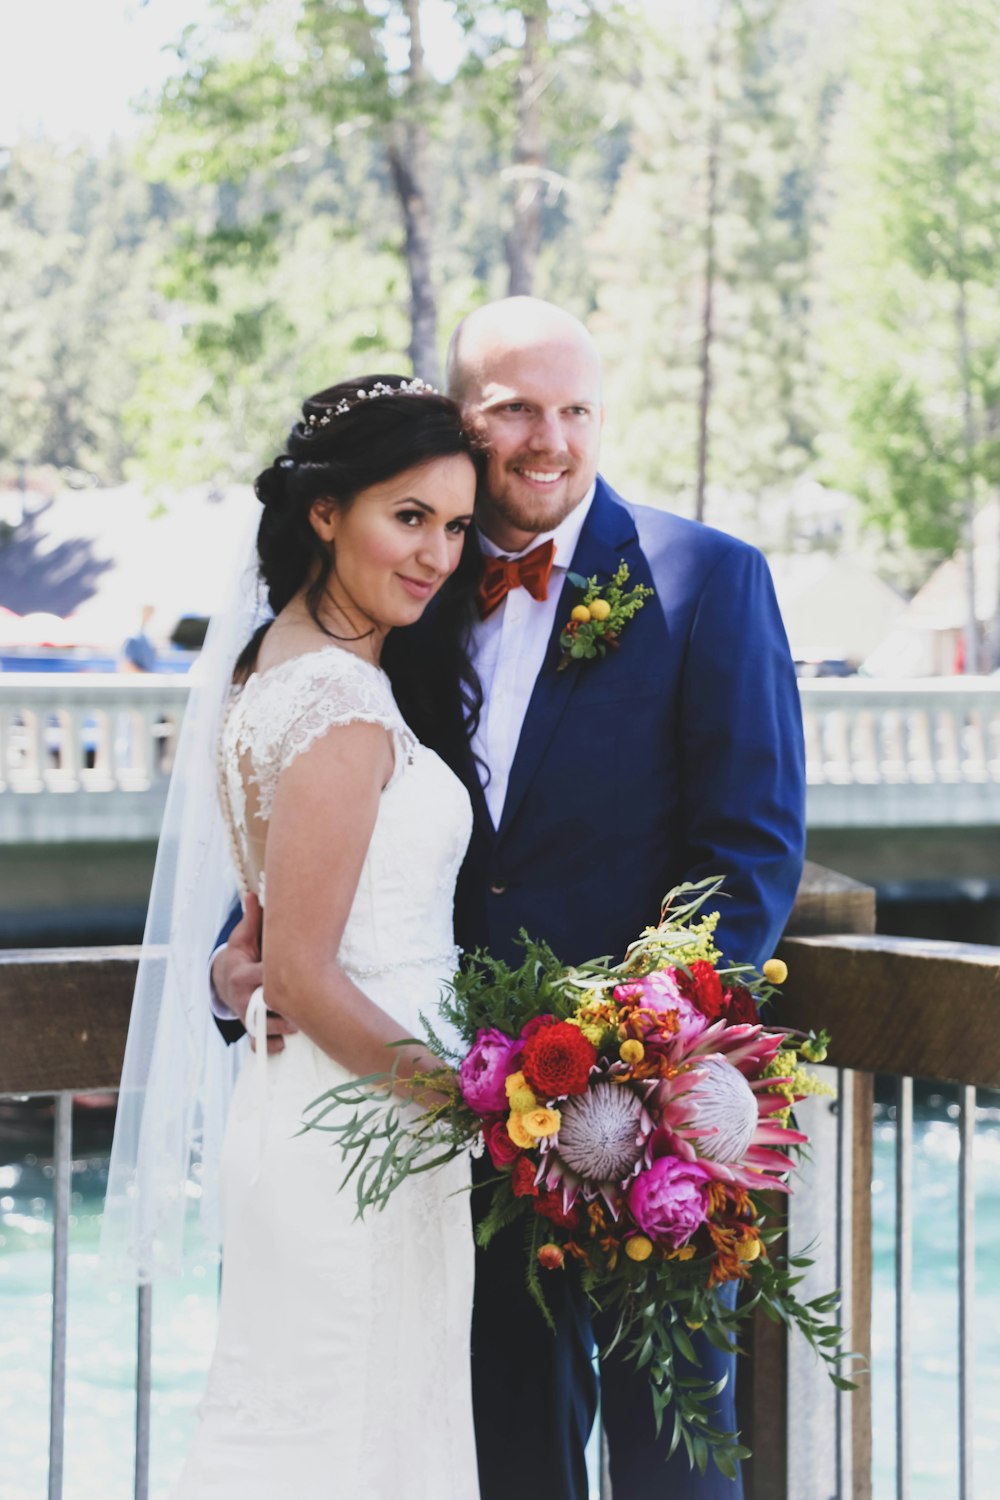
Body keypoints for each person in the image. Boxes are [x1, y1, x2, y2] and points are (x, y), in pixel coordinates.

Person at [213, 300, 806, 1500]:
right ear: (461, 424)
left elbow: (749, 855)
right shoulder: (413, 597)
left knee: (667, 1455)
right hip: (453, 1129)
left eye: (575, 408)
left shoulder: (709, 579)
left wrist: (633, 1068)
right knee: (497, 1449)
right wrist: (245, 958)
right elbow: (341, 815)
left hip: (644, 1122)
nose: (549, 439)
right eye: (514, 411)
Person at [107, 375, 484, 1500]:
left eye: (456, 526)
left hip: (340, 1122)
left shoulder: (276, 671)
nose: (435, 554)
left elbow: (271, 944)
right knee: (347, 1441)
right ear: (326, 512)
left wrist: (243, 973)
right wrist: (488, 1107)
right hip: (362, 1129)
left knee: (341, 1429)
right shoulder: (340, 711)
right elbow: (311, 979)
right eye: (406, 517)